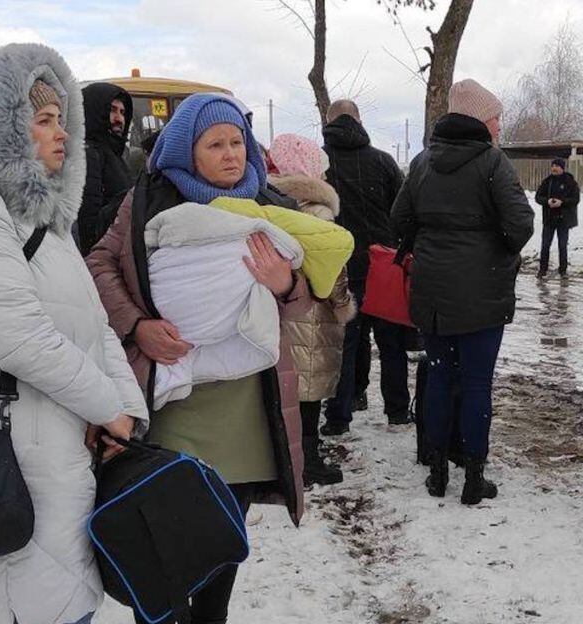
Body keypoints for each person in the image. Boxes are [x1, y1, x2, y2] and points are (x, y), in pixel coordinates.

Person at [0, 42, 147, 624]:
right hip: (2, 465)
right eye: (43, 121)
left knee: (64, 601)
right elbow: (16, 335)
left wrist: (126, 412)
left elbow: (96, 330)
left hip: (57, 460)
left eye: (61, 120)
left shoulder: (48, 228)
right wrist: (107, 407)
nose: (62, 135)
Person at [87, 92, 311, 624]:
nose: (232, 154)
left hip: (247, 410)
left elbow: (326, 296)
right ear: (187, 150)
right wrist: (138, 326)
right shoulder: (146, 201)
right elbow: (97, 264)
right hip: (171, 401)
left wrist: (287, 285)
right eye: (216, 144)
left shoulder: (273, 207)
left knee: (217, 544)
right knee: (164, 544)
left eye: (237, 142)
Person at [392, 78, 535, 505]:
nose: (499, 125)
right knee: (476, 383)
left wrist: (431, 239)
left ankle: (436, 469)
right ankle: (474, 476)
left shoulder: (421, 163)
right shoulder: (493, 163)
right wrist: (495, 249)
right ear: (481, 118)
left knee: (439, 376)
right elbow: (521, 226)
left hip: (432, 292)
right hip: (481, 294)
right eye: (496, 117)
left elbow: (399, 221)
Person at [321, 98, 412, 436]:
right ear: (358, 120)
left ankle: (338, 416)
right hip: (383, 265)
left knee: (344, 344)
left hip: (338, 267)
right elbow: (403, 213)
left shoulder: (321, 164)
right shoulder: (383, 162)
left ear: (328, 121)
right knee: (391, 344)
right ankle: (398, 411)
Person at [269, 132, 354, 486]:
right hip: (313, 315)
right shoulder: (318, 212)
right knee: (307, 393)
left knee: (282, 389)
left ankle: (281, 457)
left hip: (275, 312)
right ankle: (306, 460)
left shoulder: (268, 204)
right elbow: (333, 268)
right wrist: (344, 304)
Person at [77, 82, 134, 255]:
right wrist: (131, 198)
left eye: (123, 112)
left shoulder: (112, 154)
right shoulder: (89, 155)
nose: (119, 119)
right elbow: (89, 230)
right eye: (112, 110)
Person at [534, 157, 581, 278]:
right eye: (553, 166)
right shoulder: (547, 181)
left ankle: (563, 271)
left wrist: (562, 202)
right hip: (549, 219)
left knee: (562, 245)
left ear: (562, 168)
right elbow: (538, 197)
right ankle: (542, 270)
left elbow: (575, 199)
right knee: (545, 245)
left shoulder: (570, 181)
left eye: (557, 166)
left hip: (563, 219)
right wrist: (547, 201)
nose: (554, 168)